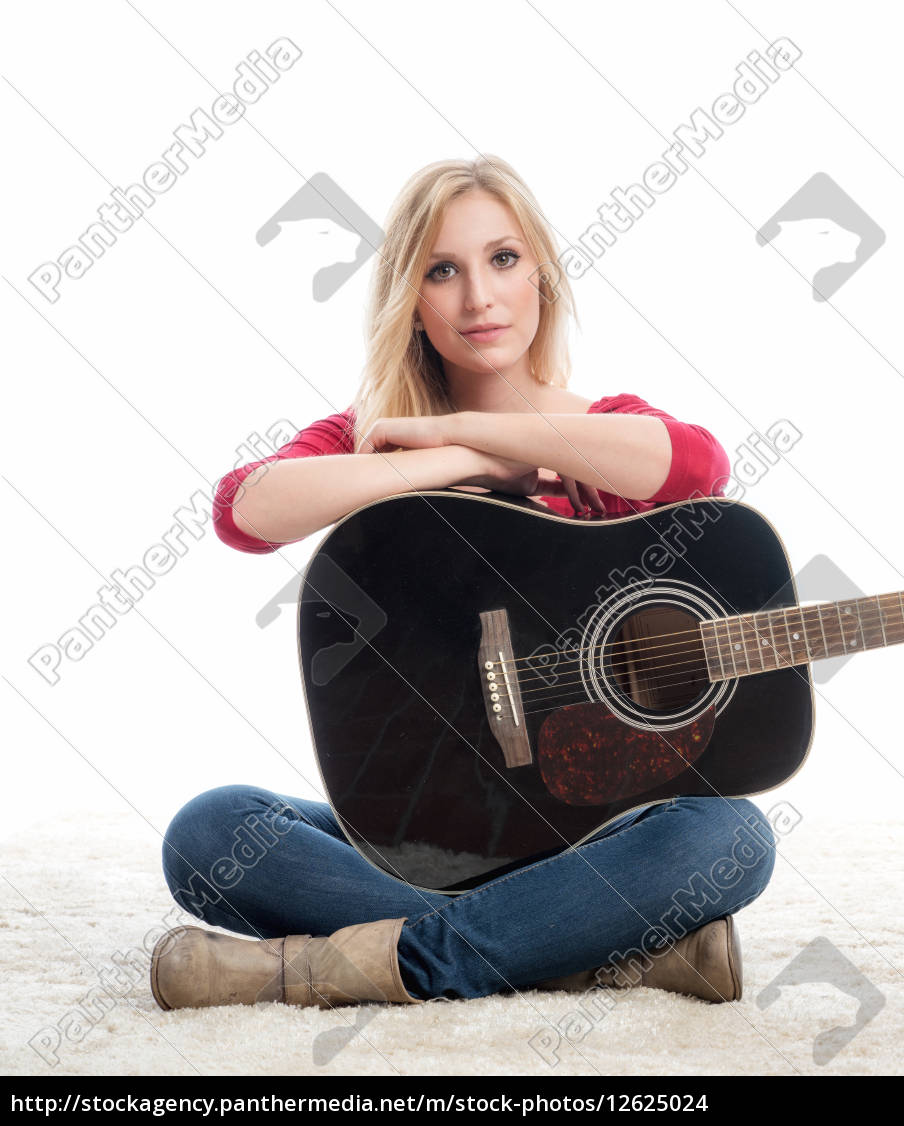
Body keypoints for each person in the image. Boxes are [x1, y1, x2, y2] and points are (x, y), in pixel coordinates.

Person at [150, 155, 776, 1013]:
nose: (478, 297)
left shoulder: (600, 429)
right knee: (211, 833)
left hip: (586, 833)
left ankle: (345, 967)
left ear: (543, 277)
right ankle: (572, 952)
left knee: (731, 835)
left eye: (503, 260)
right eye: (442, 271)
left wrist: (508, 435)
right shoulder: (373, 435)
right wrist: (451, 457)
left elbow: (699, 464)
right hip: (413, 833)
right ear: (411, 297)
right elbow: (244, 511)